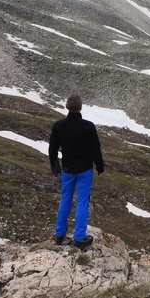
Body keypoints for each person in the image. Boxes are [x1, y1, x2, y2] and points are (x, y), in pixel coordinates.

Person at [48, 93, 105, 249]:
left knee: (65, 199)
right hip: (85, 170)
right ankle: (79, 237)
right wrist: (100, 167)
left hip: (67, 170)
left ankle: (60, 235)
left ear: (67, 107)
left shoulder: (58, 126)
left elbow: (52, 150)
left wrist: (55, 169)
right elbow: (95, 150)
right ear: (80, 107)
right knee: (82, 201)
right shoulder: (88, 126)